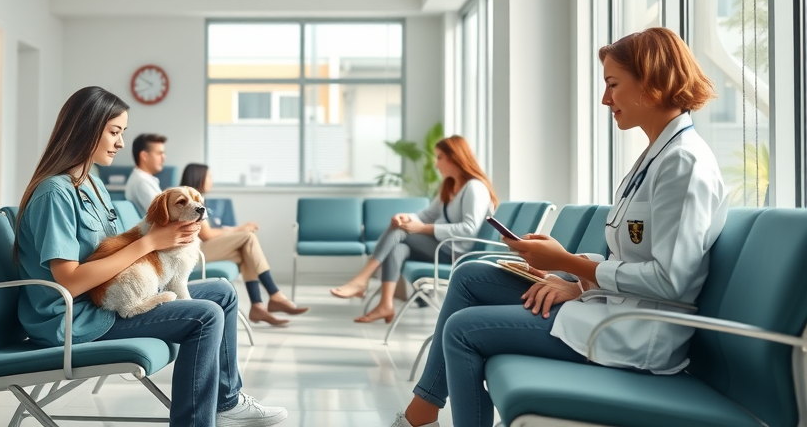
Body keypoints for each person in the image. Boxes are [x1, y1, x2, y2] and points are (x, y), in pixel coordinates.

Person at [388, 27, 727, 427]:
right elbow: (637, 257)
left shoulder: (683, 164)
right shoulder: (657, 156)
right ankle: (422, 410)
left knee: (463, 330)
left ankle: (419, 415)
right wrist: (574, 279)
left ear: (652, 80)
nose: (606, 99)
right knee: (470, 275)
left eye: (613, 85)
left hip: (635, 336)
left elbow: (670, 281)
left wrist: (569, 263)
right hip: (615, 308)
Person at [14, 87, 287, 427]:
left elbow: (120, 247)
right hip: (76, 319)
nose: (120, 143)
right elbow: (68, 281)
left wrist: (168, 237)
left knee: (223, 292)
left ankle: (227, 401)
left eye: (122, 133)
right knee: (206, 315)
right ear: (85, 129)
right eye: (114, 132)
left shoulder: (93, 186)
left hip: (106, 299)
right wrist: (152, 243)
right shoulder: (54, 193)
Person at [330, 135, 497, 324]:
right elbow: (426, 214)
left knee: (402, 231)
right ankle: (385, 304)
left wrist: (422, 228)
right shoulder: (450, 186)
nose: (436, 164)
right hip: (444, 248)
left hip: (457, 254)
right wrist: (406, 217)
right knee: (399, 245)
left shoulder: (474, 187)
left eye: (440, 157)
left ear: (455, 157)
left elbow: (469, 228)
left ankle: (361, 279)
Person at [180, 163, 308, 326]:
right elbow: (207, 235)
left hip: (199, 250)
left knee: (245, 250)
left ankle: (258, 306)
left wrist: (234, 230)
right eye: (209, 176)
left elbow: (207, 232)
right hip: (193, 254)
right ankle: (275, 295)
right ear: (198, 177)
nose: (212, 180)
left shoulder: (193, 196)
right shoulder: (190, 198)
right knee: (248, 237)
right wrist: (239, 229)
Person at [124, 133, 166, 213]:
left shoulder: (143, 179)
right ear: (144, 156)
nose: (163, 157)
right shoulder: (141, 182)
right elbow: (162, 215)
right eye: (159, 153)